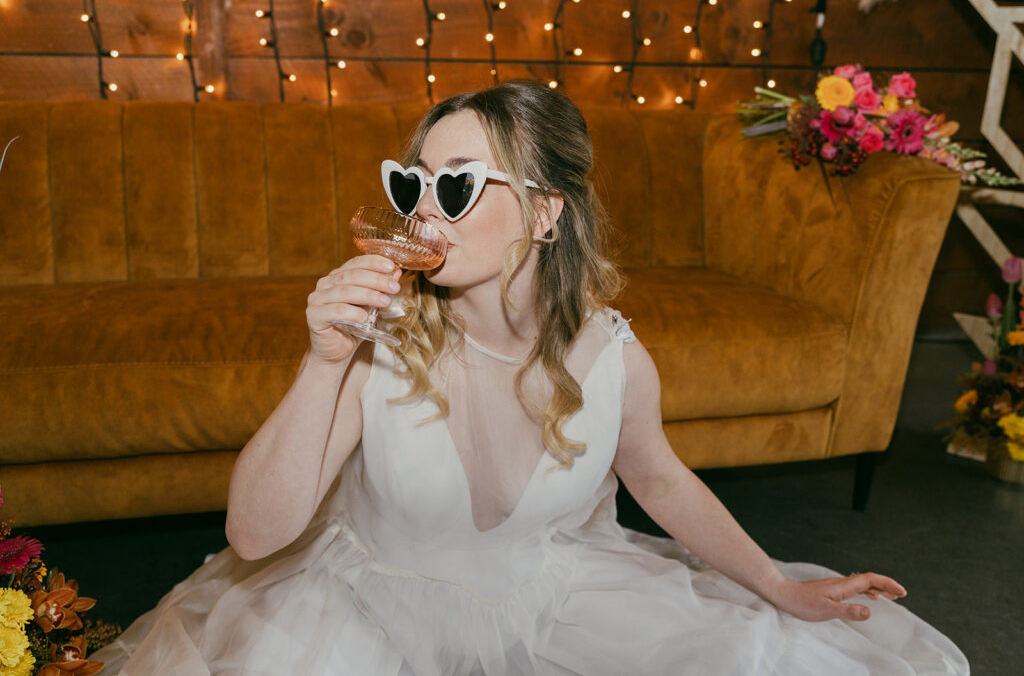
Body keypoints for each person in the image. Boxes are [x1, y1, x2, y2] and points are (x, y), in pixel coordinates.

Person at [93, 79, 968, 675]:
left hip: (552, 602)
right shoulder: (374, 339)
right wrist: (322, 362)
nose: (427, 208)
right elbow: (253, 534)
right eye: (415, 183)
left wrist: (778, 584)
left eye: (460, 184)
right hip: (350, 616)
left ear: (546, 213)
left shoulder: (616, 356)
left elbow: (659, 478)